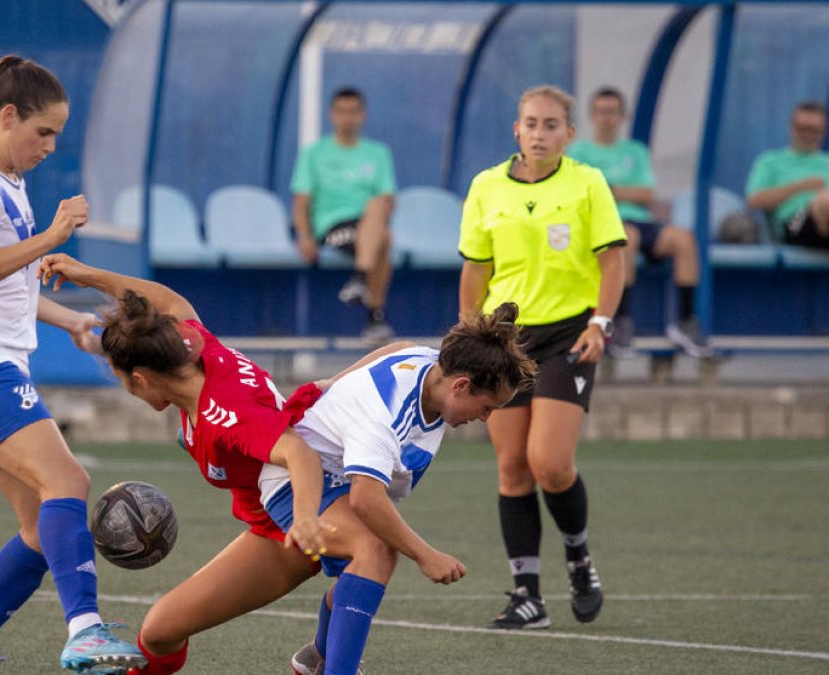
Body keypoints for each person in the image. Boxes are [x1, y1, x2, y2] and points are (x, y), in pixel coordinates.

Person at [38, 256, 520, 675]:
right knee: (160, 631)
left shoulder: (223, 415)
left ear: (141, 381)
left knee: (374, 547)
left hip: (294, 495)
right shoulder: (195, 346)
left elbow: (297, 453)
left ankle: (330, 661)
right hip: (274, 515)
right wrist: (87, 275)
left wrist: (309, 518)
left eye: (123, 381)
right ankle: (318, 655)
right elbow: (165, 299)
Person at [0, 55, 145, 675]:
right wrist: (53, 236)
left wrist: (69, 321)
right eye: (44, 132)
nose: (50, 146)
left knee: (43, 528)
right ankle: (86, 630)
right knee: (68, 484)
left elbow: (1, 277)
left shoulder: (3, 178)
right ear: (8, 116)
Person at [272, 303, 537, 675]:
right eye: (487, 406)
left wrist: (334, 382)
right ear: (461, 385)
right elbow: (366, 499)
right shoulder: (385, 415)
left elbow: (398, 347)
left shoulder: (432, 365)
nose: (485, 417)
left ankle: (317, 655)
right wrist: (426, 555)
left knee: (365, 566)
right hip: (299, 482)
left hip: (336, 481)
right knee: (378, 550)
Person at [458, 85, 626, 630]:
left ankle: (578, 557)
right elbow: (476, 269)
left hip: (569, 336)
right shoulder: (486, 186)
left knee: (550, 463)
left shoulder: (587, 183)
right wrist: (469, 332)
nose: (539, 133)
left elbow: (614, 261)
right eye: (530, 123)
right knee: (512, 467)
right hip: (507, 339)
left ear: (569, 134)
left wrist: (600, 323)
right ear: (516, 129)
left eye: (552, 124)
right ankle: (527, 596)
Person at [568, 87, 712, 359]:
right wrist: (620, 191)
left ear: (623, 116)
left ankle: (684, 321)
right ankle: (620, 321)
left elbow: (647, 194)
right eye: (601, 112)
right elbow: (576, 195)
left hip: (640, 219)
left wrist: (608, 188)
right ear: (592, 116)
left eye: (613, 112)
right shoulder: (578, 152)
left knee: (683, 239)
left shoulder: (636, 151)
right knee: (626, 237)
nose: (607, 118)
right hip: (603, 224)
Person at [291, 87, 397, 343]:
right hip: (332, 228)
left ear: (362, 115)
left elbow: (388, 199)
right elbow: (301, 201)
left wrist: (376, 215)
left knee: (377, 210)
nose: (347, 117)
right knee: (384, 238)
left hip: (367, 225)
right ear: (332, 115)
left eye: (353, 111)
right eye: (342, 111)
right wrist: (304, 237)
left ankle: (359, 281)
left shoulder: (378, 153)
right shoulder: (314, 153)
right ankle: (374, 316)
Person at [746, 100, 829, 250]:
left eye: (814, 130)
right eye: (803, 129)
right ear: (791, 128)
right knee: (824, 201)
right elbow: (755, 200)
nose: (808, 135)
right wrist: (800, 187)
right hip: (794, 224)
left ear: (823, 132)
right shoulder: (771, 161)